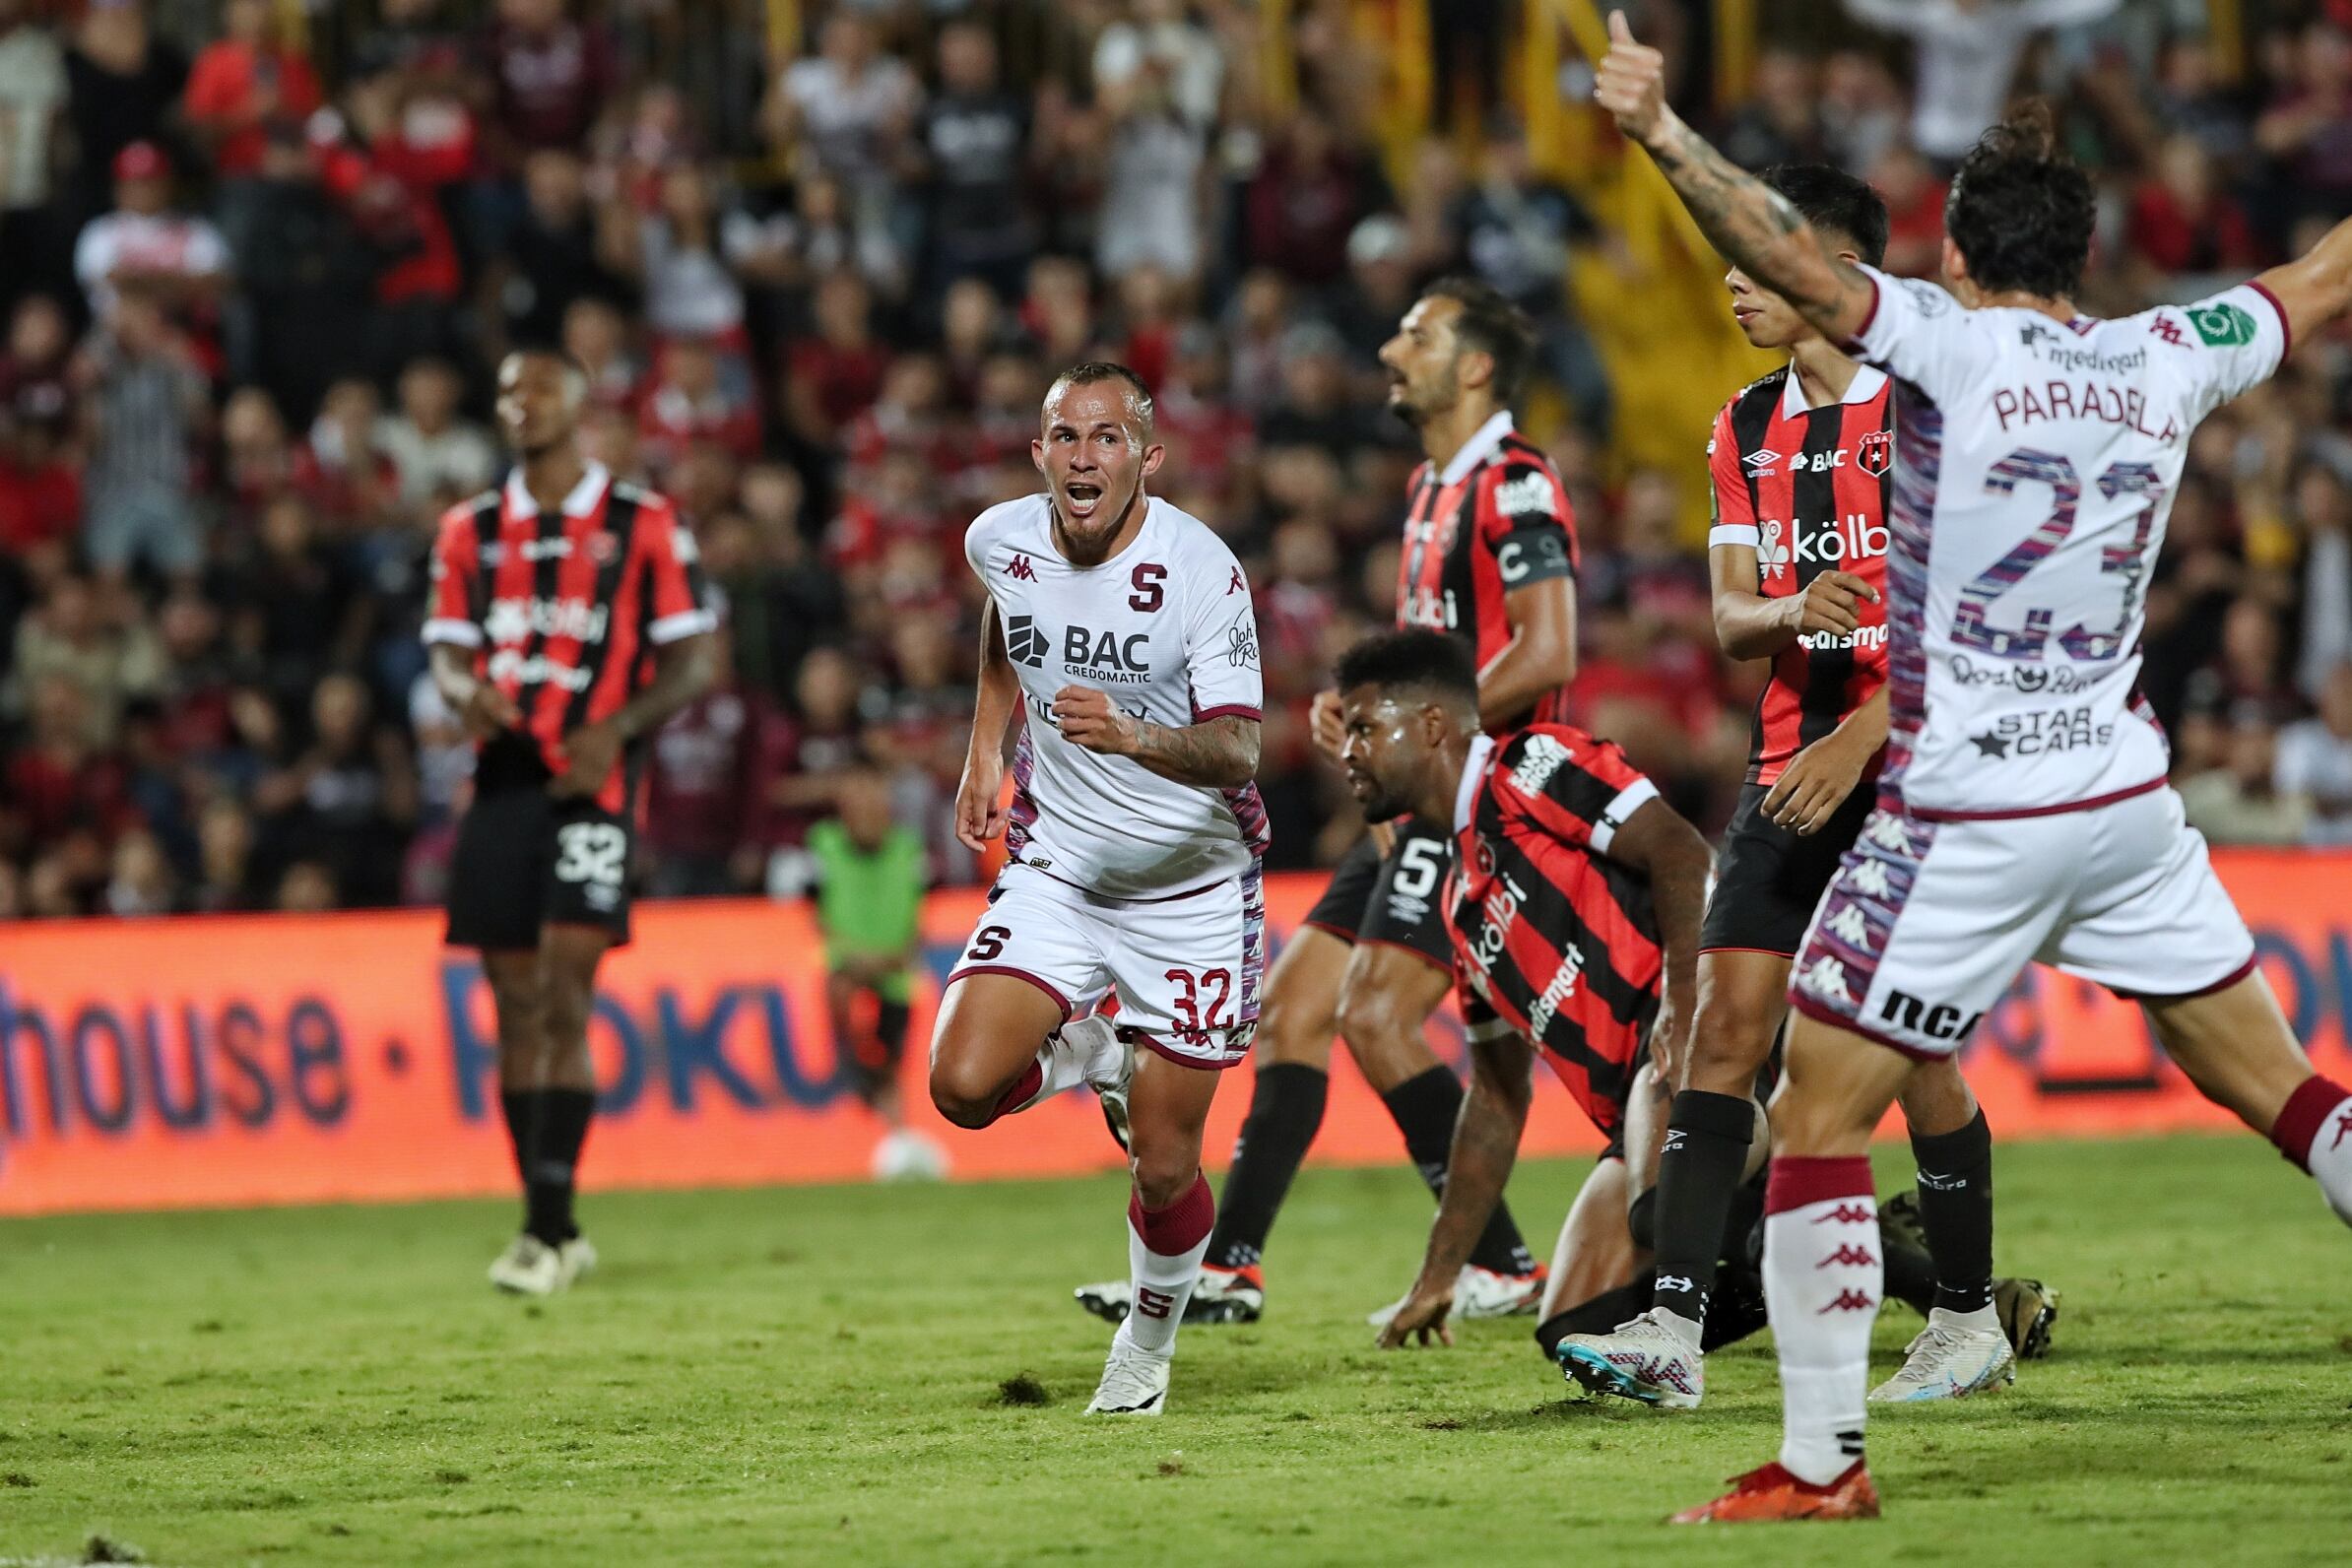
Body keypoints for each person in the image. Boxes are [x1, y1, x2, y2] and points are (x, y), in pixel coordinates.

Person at [1596, 15, 2352, 1522]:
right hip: (2128, 801)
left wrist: (1667, 136)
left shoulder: (1943, 343)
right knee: (2287, 1096)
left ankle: (1823, 1467)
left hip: (1974, 799)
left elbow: (1796, 263)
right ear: (2085, 258)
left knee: (1813, 1110)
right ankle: (1912, 1355)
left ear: (1954, 258)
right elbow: (2326, 275)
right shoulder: (2167, 352)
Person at [1555, 163, 2057, 1414]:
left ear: (1836, 274)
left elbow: (1985, 614)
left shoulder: (1931, 407)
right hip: (1789, 763)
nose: (1729, 277)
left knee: (1907, 1050)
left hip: (1918, 770)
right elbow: (1733, 615)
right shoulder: (1740, 425)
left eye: (1752, 253)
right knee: (1722, 1035)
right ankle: (1671, 1330)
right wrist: (1792, 610)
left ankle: (1962, 1315)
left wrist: (1866, 734)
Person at [1073, 279, 1577, 1330]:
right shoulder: (1431, 486)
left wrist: (1410, 724)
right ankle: (1230, 1267)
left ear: (1475, 365)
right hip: (1413, 799)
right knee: (1292, 1011)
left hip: (1481, 798)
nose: (1392, 346)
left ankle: (1510, 1262)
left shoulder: (1515, 483)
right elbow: (1434, 651)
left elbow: (1548, 650)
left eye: (1417, 332)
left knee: (1377, 1017)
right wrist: (1365, 705)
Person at [932, 361, 1266, 1417]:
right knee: (961, 1085)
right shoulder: (1003, 538)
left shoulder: (1203, 570)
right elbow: (1004, 620)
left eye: (1108, 438)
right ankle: (1086, 1052)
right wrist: (987, 751)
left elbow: (1241, 747)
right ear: (1039, 452)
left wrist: (1134, 736)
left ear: (1147, 457)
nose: (1084, 456)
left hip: (1191, 887)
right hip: (1063, 866)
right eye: (1065, 436)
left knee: (1165, 1168)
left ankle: (1148, 1346)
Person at [424, 347, 718, 1296]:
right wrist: (465, 692)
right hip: (503, 780)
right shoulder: (470, 529)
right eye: (508, 391)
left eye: (539, 389)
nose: (521, 404)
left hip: (593, 782)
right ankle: (551, 1221)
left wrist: (618, 731)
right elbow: (447, 652)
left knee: (562, 991)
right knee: (513, 1005)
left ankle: (544, 1233)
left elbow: (693, 660)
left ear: (579, 405)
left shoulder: (642, 521)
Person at [1329, 630, 1711, 1354]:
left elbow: (1680, 851)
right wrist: (1440, 1274)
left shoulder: (1531, 765)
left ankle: (1871, 1253)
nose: (1347, 751)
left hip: (1704, 1049)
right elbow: (1498, 1099)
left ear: (1433, 726)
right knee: (1572, 1328)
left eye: (1364, 728)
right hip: (1637, 1107)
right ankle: (1819, 1250)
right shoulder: (1459, 903)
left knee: (1666, 1214)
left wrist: (1687, 1006)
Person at [810, 764, 946, 1182]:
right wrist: (856, 956)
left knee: (890, 1063)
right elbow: (809, 915)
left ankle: (896, 1137)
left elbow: (920, 919)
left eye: (875, 806)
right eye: (857, 807)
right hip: (845, 972)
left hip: (895, 976)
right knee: (851, 1031)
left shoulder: (910, 851)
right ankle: (889, 1132)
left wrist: (892, 957)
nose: (867, 817)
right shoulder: (821, 847)